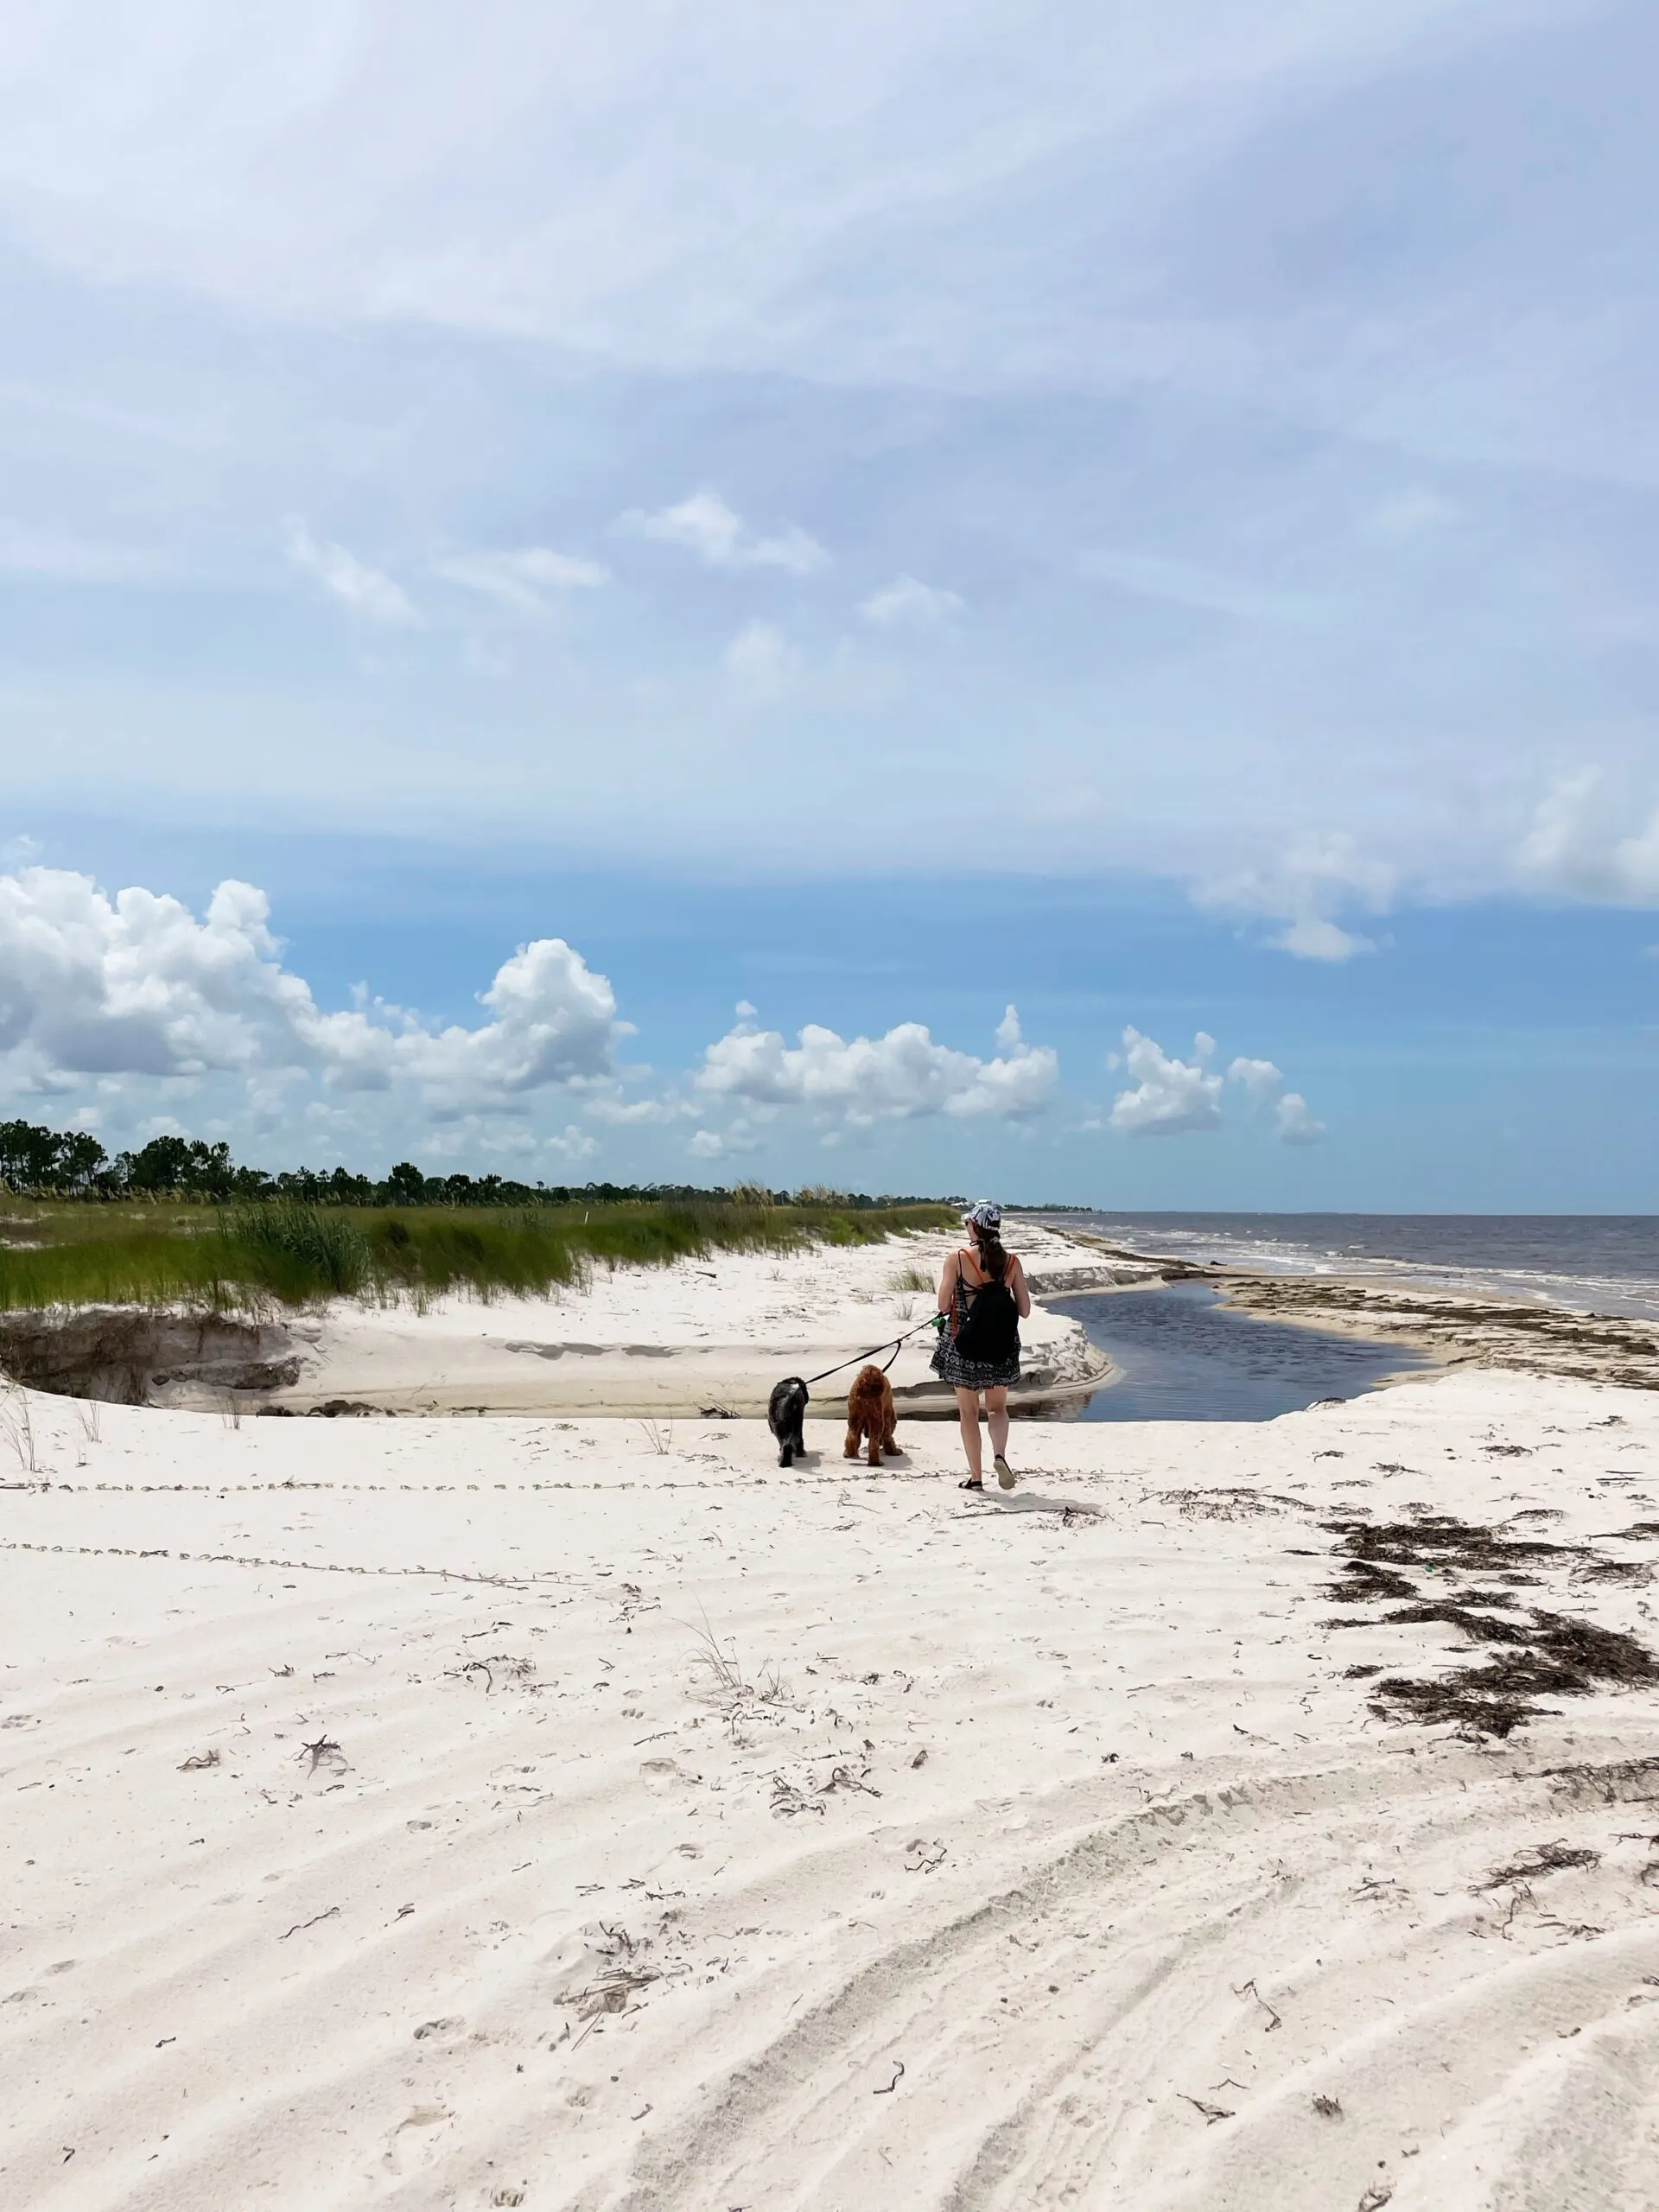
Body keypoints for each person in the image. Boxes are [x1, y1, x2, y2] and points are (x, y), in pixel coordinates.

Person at [932, 1200, 1032, 1491]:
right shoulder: (1012, 1261)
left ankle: (976, 1478)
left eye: (967, 1223)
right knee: (998, 1408)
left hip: (966, 1344)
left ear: (973, 1226)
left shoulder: (957, 1258)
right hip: (1001, 1345)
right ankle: (999, 1454)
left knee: (968, 1412)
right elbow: (1024, 1310)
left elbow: (942, 1304)